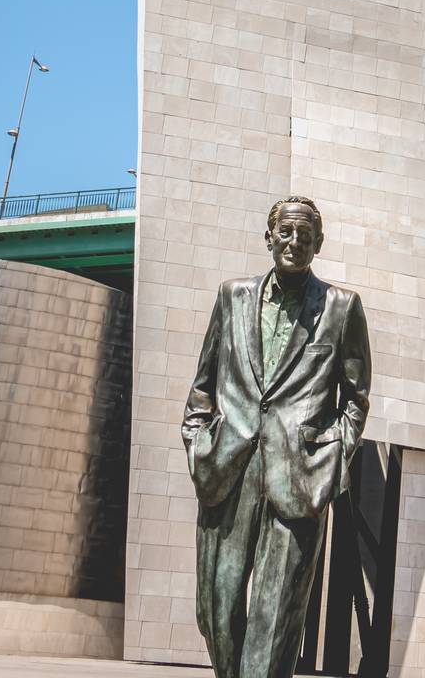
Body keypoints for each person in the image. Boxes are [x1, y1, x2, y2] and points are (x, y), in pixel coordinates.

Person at [181, 195, 371, 678]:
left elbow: (355, 396)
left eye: (304, 234)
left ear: (318, 243)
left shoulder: (341, 308)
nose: (294, 241)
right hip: (228, 471)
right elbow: (202, 386)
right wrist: (199, 441)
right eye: (285, 232)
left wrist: (331, 457)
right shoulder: (232, 297)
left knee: (273, 623)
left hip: (298, 479)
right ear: (269, 237)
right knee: (216, 611)